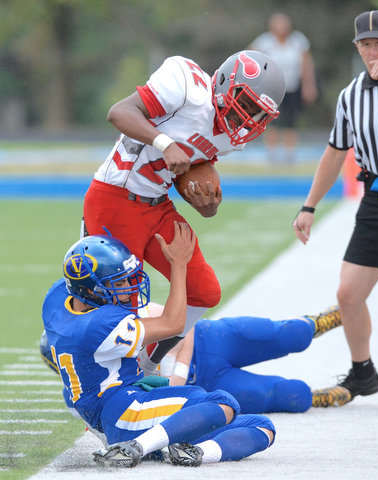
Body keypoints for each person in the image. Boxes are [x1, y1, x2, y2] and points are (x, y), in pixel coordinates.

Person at [82, 50, 286, 377]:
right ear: (224, 83)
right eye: (244, 103)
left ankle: (148, 363)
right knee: (119, 310)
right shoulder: (186, 85)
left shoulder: (233, 140)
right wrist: (164, 143)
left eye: (256, 112)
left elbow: (185, 174)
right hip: (115, 199)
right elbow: (119, 112)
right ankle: (97, 382)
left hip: (157, 205)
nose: (244, 117)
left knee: (204, 291)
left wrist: (209, 205)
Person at [41, 226, 277, 468]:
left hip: (118, 408)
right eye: (119, 282)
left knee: (262, 427)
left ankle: (193, 452)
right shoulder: (98, 327)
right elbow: (173, 323)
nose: (128, 286)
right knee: (222, 402)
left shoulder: (59, 298)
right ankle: (135, 448)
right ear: (92, 290)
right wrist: (178, 265)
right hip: (123, 411)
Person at [292, 10, 378, 412]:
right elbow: (335, 153)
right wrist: (309, 205)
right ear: (357, 48)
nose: (373, 51)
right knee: (348, 294)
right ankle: (363, 371)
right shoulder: (351, 95)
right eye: (365, 44)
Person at [42, 303, 350, 413]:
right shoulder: (97, 388)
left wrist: (178, 374)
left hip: (211, 339)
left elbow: (182, 325)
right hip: (206, 385)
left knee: (292, 334)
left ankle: (317, 321)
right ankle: (316, 396)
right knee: (291, 395)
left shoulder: (110, 325)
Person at [249, 13, 318, 164]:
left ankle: (289, 155)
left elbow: (306, 64)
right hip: (271, 88)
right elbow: (249, 59)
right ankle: (272, 155)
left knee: (291, 121)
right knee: (270, 120)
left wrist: (309, 85)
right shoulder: (265, 42)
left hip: (292, 86)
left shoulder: (298, 41)